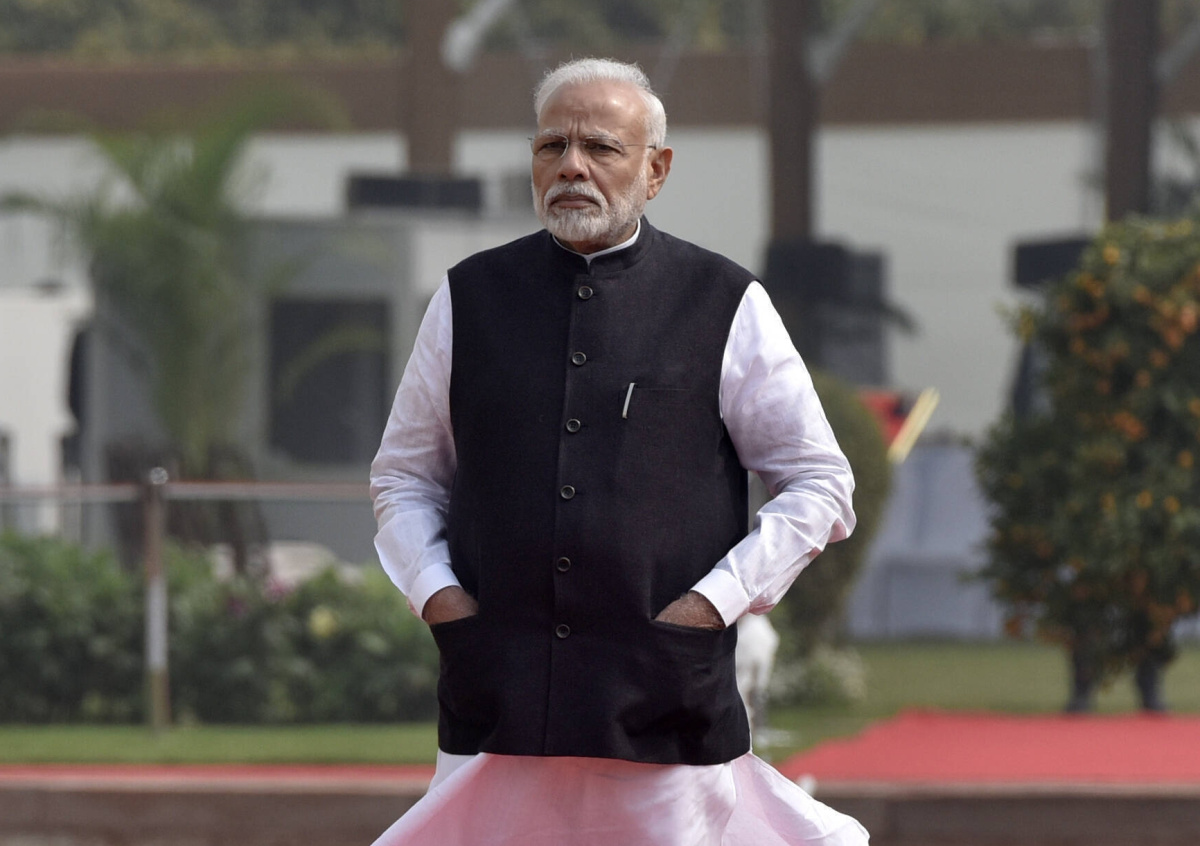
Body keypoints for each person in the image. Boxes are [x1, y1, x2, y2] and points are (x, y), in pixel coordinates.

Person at [369, 57, 868, 846]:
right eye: (552, 146)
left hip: (663, 694)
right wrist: (438, 594)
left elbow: (818, 481)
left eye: (600, 147)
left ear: (656, 170)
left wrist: (717, 601)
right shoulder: (470, 298)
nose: (572, 166)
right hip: (498, 689)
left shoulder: (722, 301)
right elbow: (404, 477)